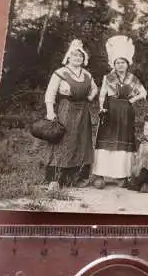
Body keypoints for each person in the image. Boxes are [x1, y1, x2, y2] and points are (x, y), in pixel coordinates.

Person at [92, 36, 147, 189]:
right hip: (110, 111)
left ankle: (121, 176)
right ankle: (100, 174)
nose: (120, 65)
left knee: (123, 141)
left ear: (127, 64)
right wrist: (102, 108)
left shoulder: (132, 78)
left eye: (122, 62)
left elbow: (143, 92)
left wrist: (132, 100)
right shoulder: (108, 78)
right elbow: (102, 93)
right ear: (114, 64)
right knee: (106, 141)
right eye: (117, 63)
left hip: (126, 112)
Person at [44, 39, 98, 189]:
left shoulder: (87, 74)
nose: (77, 58)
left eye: (80, 56)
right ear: (68, 57)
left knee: (82, 142)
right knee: (63, 141)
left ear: (84, 58)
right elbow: (50, 93)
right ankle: (55, 179)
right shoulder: (60, 73)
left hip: (83, 111)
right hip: (66, 109)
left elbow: (95, 89)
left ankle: (78, 178)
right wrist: (50, 111)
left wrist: (89, 97)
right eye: (74, 56)